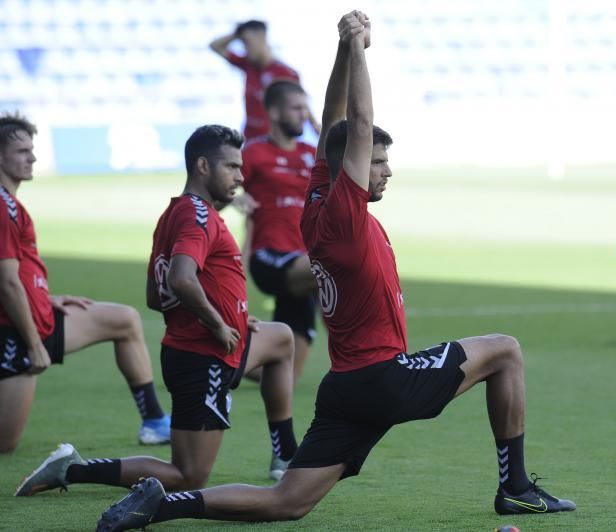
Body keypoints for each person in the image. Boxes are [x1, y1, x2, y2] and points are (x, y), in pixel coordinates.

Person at [93, 12, 575, 531]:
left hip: (344, 386)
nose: (387, 171)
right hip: (384, 378)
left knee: (287, 501)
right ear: (352, 165)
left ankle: (160, 506)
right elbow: (358, 124)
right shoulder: (345, 214)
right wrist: (361, 49)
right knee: (505, 349)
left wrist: (344, 49)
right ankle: (516, 489)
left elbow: (332, 116)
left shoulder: (317, 198)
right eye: (379, 162)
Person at [15, 125, 299, 500]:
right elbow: (181, 279)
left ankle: (286, 456)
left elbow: (155, 295)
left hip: (211, 345)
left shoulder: (176, 213)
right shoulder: (197, 216)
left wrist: (231, 313)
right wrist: (217, 322)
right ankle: (72, 468)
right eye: (231, 167)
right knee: (188, 475)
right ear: (202, 166)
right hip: (205, 354)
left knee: (280, 339)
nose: (240, 176)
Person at [0, 112, 170, 452]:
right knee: (5, 444)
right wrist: (34, 345)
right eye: (22, 151)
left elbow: (18, 275)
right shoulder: (3, 208)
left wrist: (45, 298)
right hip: (18, 333)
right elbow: (6, 283)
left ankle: (154, 421)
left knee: (124, 319)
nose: (32, 157)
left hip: (36, 318)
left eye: (32, 149)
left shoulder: (12, 204)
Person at [232, 80, 319, 385]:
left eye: (305, 108)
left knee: (285, 375)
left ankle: (224, 360)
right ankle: (363, 363)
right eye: (296, 108)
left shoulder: (311, 153)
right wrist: (234, 196)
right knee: (332, 266)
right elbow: (216, 183)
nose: (302, 114)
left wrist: (317, 123)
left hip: (302, 261)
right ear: (274, 111)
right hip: (269, 255)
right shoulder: (254, 153)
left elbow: (347, 159)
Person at [210, 19, 321, 140]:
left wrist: (314, 125)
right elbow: (215, 46)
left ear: (261, 38)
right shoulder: (247, 65)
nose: (245, 49)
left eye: (247, 43)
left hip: (274, 141)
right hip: (250, 138)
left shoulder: (284, 72)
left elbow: (300, 102)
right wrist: (237, 34)